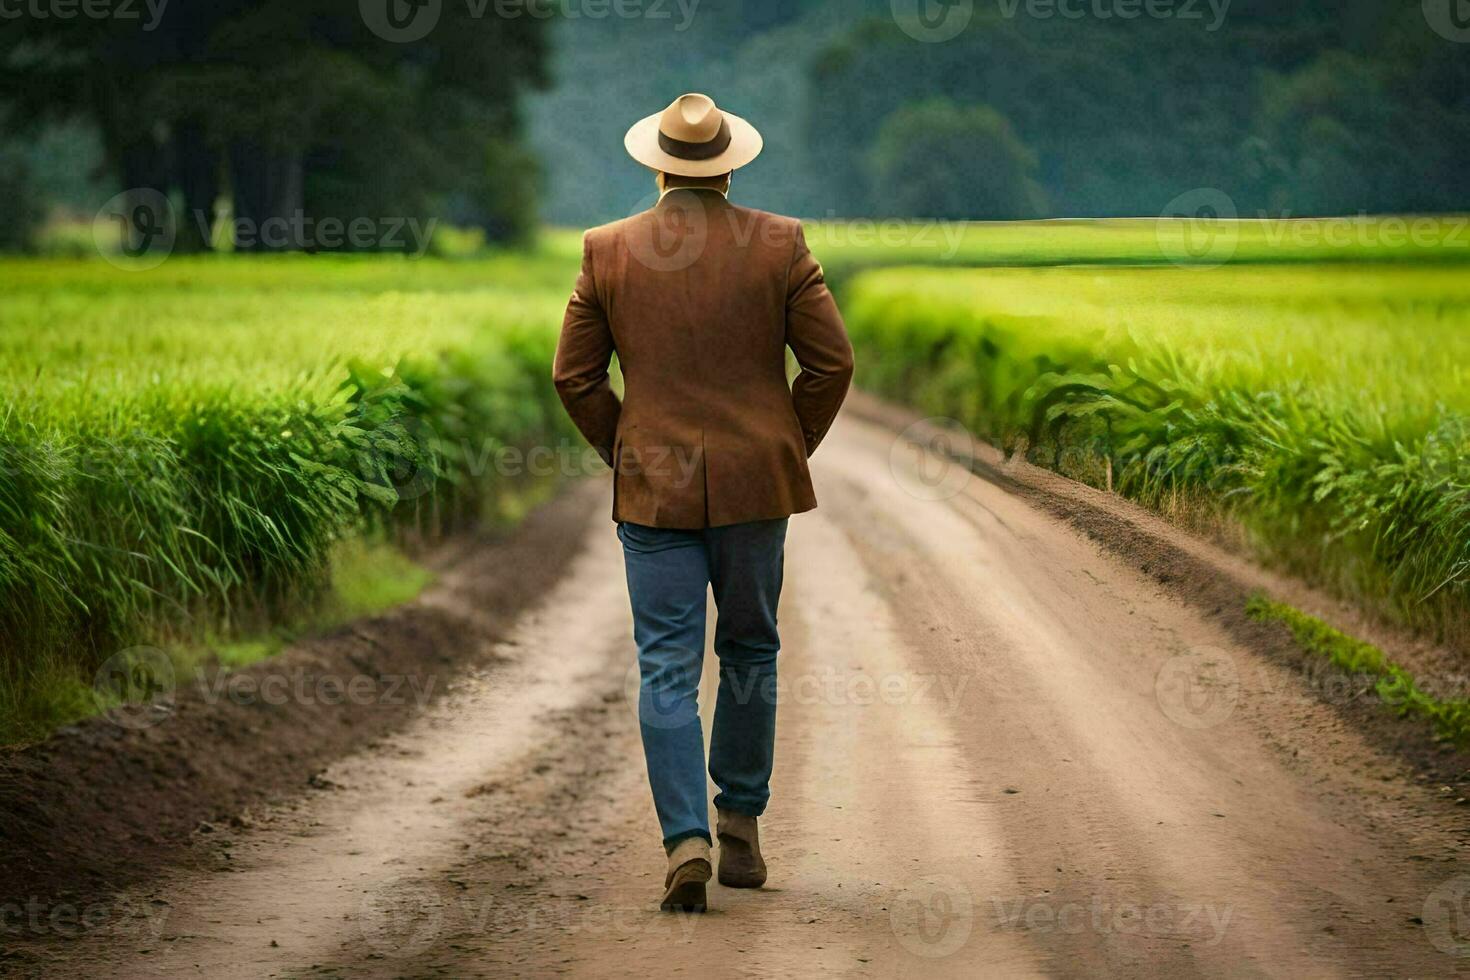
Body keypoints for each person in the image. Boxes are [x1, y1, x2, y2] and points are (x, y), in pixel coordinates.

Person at [553, 93, 853, 912]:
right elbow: (831, 365)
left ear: (656, 163)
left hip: (653, 490)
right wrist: (783, 443)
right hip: (758, 486)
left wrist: (628, 450)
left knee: (666, 666)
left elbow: (574, 378)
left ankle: (684, 838)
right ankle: (742, 829)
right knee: (751, 652)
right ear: (729, 165)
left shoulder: (606, 249)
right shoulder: (782, 244)